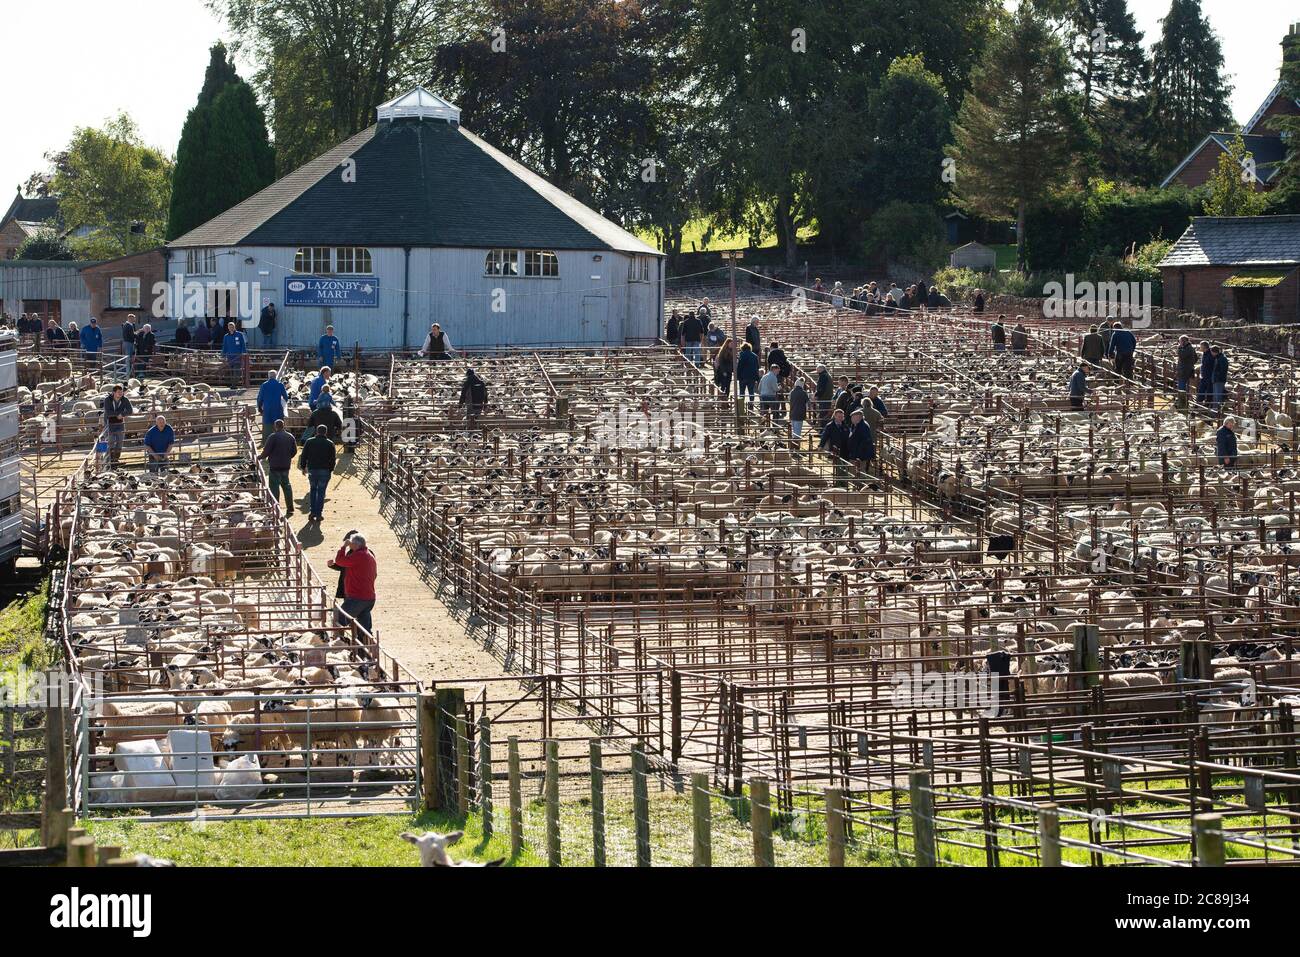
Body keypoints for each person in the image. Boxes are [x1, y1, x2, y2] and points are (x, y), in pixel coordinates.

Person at [333, 532, 378, 634]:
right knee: (363, 628)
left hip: (357, 598)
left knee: (339, 619)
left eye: (351, 543)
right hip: (369, 597)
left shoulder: (359, 555)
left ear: (356, 545)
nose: (350, 545)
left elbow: (339, 560)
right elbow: (375, 575)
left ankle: (340, 644)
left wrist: (343, 547)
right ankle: (365, 647)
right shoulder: (369, 555)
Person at [258, 419, 298, 517]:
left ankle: (276, 508)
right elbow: (295, 451)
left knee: (274, 487)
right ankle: (290, 508)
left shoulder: (273, 437)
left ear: (275, 426)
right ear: (283, 425)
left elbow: (266, 451)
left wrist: (259, 457)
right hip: (285, 466)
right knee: (287, 486)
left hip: (275, 466)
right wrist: (287, 457)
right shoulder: (290, 436)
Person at [299, 424, 337, 522]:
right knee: (321, 492)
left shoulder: (309, 441)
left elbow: (304, 456)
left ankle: (312, 512)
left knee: (313, 490)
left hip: (312, 469)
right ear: (326, 432)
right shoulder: (330, 443)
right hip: (325, 470)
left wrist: (303, 467)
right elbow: (333, 459)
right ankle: (319, 514)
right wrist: (330, 469)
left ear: (316, 431)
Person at [101, 384, 132, 466]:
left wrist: (122, 414)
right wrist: (118, 414)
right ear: (113, 392)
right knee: (110, 441)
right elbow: (108, 412)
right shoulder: (108, 400)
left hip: (120, 423)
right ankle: (109, 460)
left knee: (120, 441)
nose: (120, 394)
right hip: (109, 423)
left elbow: (130, 410)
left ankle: (115, 460)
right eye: (118, 392)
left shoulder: (125, 399)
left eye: (121, 392)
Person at [257, 370, 289, 439]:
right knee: (278, 425)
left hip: (267, 409)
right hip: (278, 409)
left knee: (267, 427)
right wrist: (283, 405)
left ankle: (266, 442)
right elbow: (286, 397)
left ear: (268, 376)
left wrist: (260, 408)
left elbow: (260, 398)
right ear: (275, 376)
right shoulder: (280, 385)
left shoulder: (264, 385)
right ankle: (280, 440)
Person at [1212, 345, 1229, 410]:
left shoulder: (1222, 358)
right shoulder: (1219, 358)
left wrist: (1217, 376)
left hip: (1219, 380)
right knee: (1216, 396)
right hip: (1216, 379)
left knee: (1217, 396)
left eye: (1212, 352)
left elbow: (1223, 370)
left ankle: (1217, 411)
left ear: (1214, 352)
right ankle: (1215, 410)